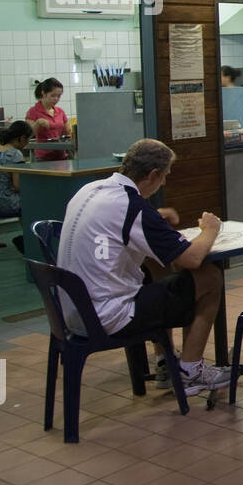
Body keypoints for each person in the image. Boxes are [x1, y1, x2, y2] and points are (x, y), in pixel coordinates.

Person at [57, 139, 229, 394]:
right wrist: (211, 229)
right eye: (165, 177)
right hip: (107, 317)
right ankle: (190, 371)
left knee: (155, 267)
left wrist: (153, 219)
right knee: (209, 277)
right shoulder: (133, 207)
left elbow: (114, 229)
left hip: (70, 313)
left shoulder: (91, 189)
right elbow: (192, 258)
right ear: (153, 175)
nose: (165, 183)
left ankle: (164, 361)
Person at [26, 77, 68, 160]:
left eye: (59, 96)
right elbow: (28, 135)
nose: (56, 99)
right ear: (44, 94)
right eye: (53, 95)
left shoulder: (60, 112)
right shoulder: (33, 112)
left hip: (61, 156)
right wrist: (37, 123)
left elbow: (66, 132)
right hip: (43, 157)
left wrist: (69, 130)